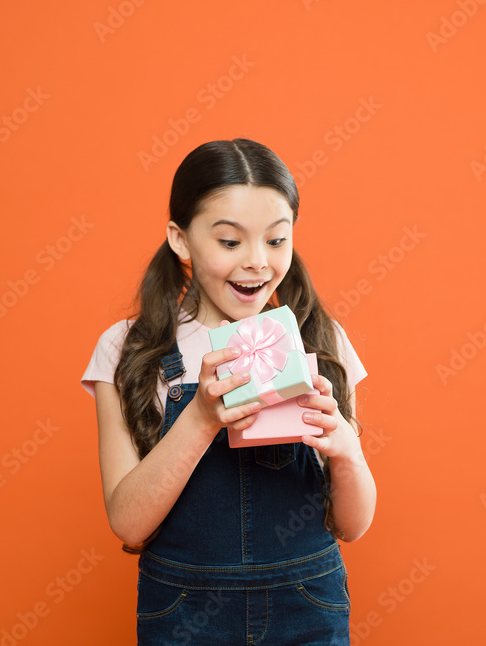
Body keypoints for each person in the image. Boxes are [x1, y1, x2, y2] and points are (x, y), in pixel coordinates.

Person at [80, 137, 376, 644]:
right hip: (183, 611)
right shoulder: (131, 349)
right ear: (180, 239)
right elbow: (128, 523)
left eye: (276, 240)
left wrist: (347, 453)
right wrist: (199, 419)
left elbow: (353, 525)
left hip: (305, 603)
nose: (258, 261)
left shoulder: (320, 340)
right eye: (230, 241)